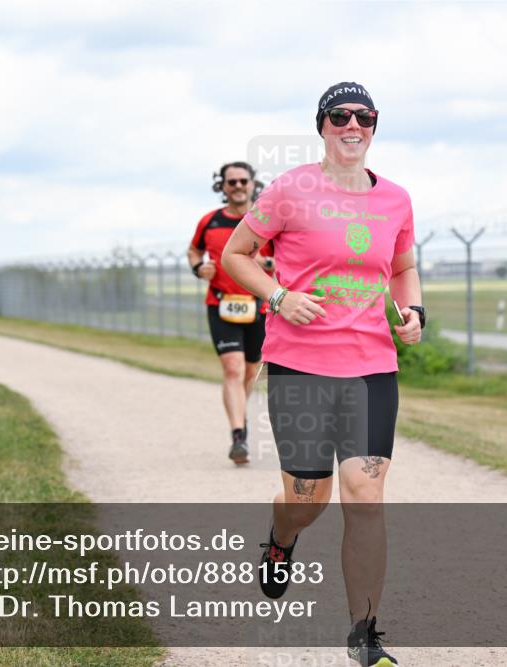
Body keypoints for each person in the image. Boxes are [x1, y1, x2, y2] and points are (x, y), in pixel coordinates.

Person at [223, 82, 423, 667]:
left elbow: (403, 267)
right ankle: (282, 539)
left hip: (371, 368)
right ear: (322, 125)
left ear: (375, 125)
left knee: (365, 496)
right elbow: (238, 255)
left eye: (364, 116)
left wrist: (411, 311)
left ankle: (365, 634)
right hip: (299, 366)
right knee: (308, 497)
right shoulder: (290, 190)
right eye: (340, 116)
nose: (352, 124)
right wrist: (279, 296)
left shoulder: (397, 200)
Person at [188, 162, 274, 464]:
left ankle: (241, 416)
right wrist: (200, 268)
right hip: (221, 304)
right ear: (222, 186)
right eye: (231, 182)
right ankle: (239, 435)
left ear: (253, 184)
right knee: (234, 369)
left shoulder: (267, 221)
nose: (237, 186)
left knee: (251, 371)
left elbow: (286, 257)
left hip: (260, 307)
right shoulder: (209, 222)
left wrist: (269, 266)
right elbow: (194, 250)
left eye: (243, 181)